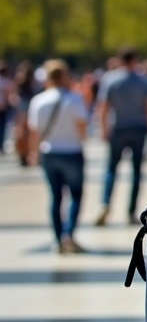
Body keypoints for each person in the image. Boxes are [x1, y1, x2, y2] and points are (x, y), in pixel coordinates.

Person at [27, 60, 90, 253]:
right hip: (71, 151)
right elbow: (82, 128)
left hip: (50, 151)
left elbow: (34, 132)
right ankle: (69, 233)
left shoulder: (38, 101)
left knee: (55, 197)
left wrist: (33, 153)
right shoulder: (75, 99)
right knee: (76, 195)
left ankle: (57, 237)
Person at [94, 46, 147, 226]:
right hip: (138, 128)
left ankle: (106, 202)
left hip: (118, 127)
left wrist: (103, 128)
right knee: (136, 171)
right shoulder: (143, 81)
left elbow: (103, 107)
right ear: (135, 60)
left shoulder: (110, 79)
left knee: (111, 168)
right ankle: (131, 210)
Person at [0, 60, 12, 157]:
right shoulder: (7, 81)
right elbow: (9, 95)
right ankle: (1, 145)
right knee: (3, 127)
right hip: (3, 106)